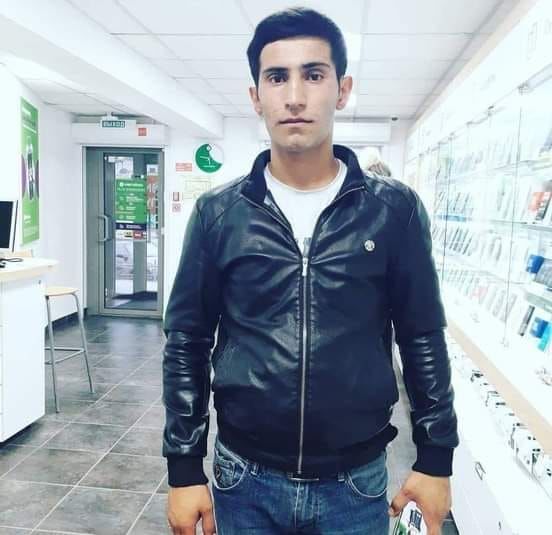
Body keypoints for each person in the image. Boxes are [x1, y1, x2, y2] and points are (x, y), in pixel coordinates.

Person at [163, 7, 458, 535]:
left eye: (313, 75)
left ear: (342, 90)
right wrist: (184, 468)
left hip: (355, 482)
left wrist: (436, 458)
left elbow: (421, 335)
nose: (295, 96)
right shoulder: (219, 215)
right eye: (277, 77)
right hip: (244, 477)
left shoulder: (393, 211)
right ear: (255, 96)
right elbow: (187, 339)